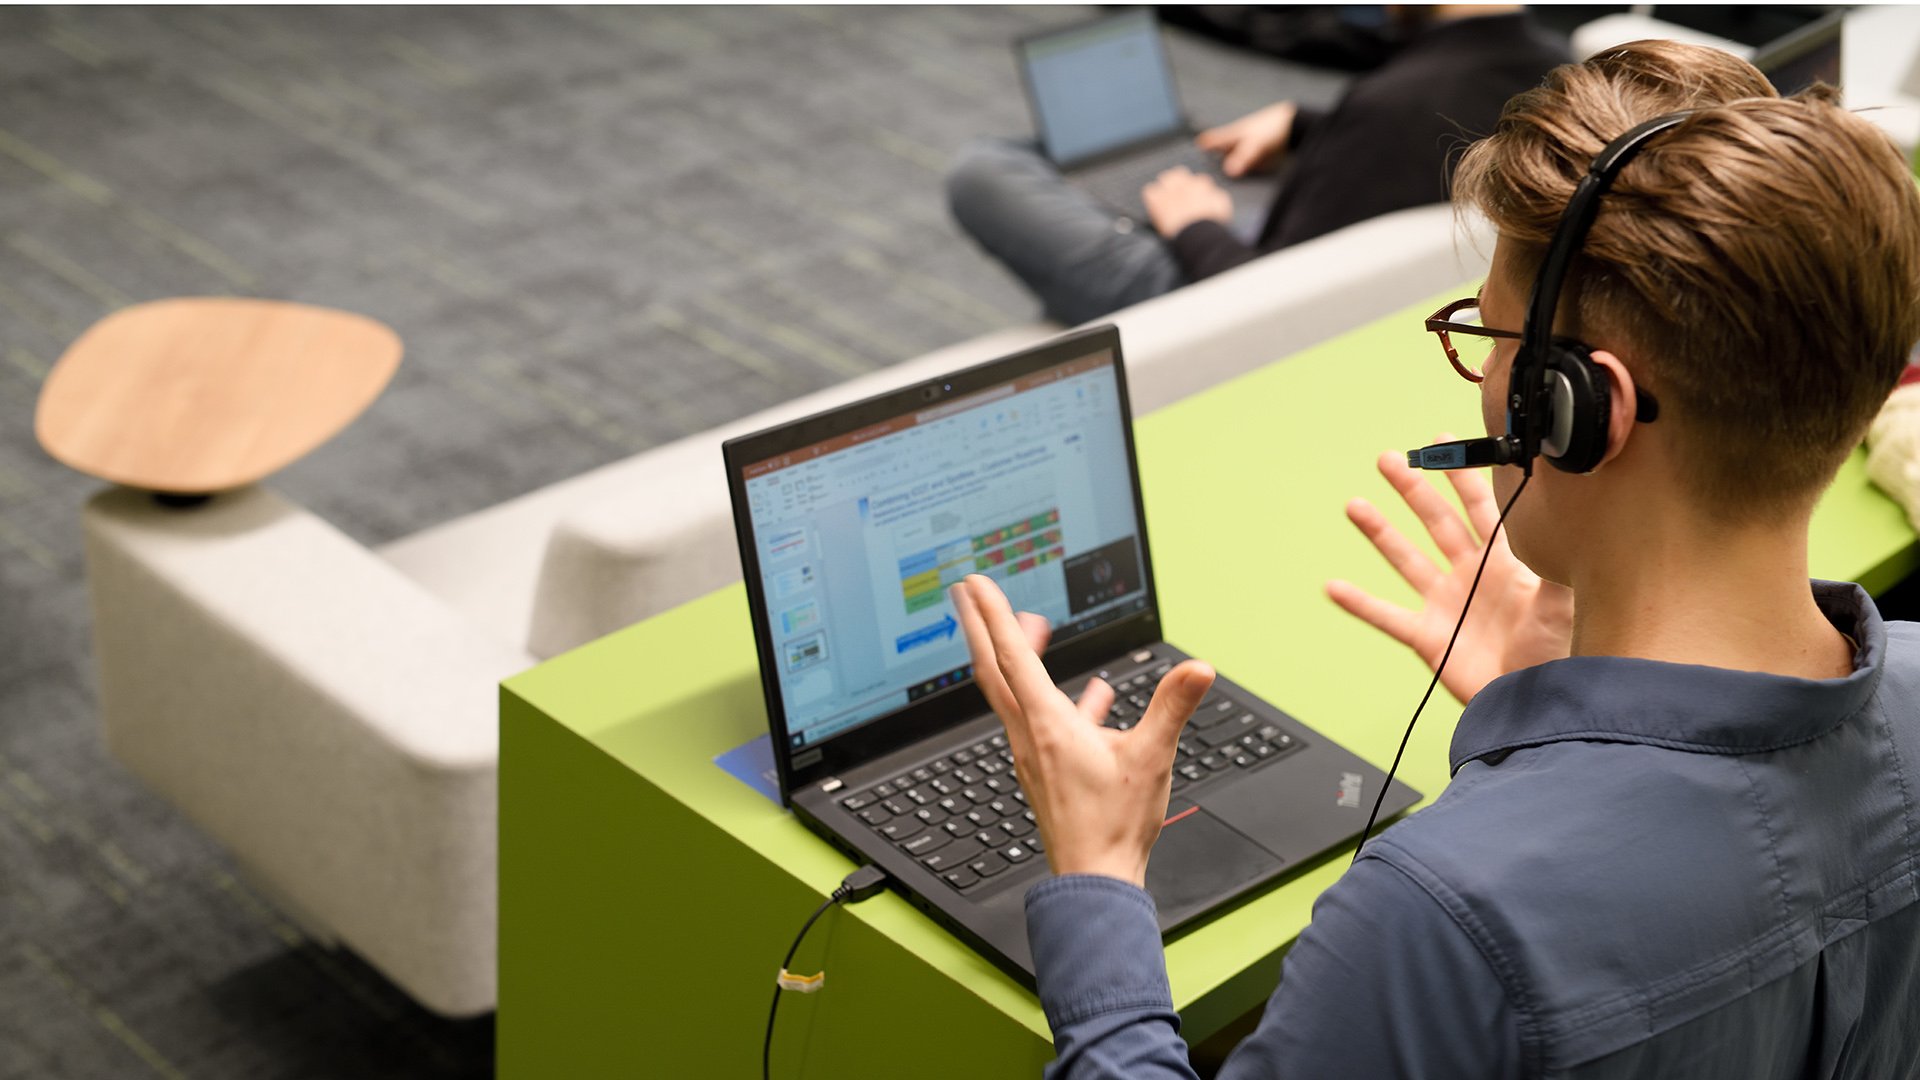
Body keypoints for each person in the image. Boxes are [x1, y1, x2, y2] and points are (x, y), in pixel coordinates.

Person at [948, 39, 1920, 1079]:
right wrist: (1556, 710)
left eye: (1494, 340)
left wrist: (1097, 885)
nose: (1489, 382)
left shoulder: (1445, 919)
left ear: (1580, 412)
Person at [944, 5, 1569, 326]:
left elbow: (1271, 295)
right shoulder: (1552, 67)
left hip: (1213, 292)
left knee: (987, 169)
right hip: (1331, 251)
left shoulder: (1394, 102)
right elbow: (1437, 138)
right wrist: (1306, 126)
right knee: (1174, 149)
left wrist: (1196, 225)